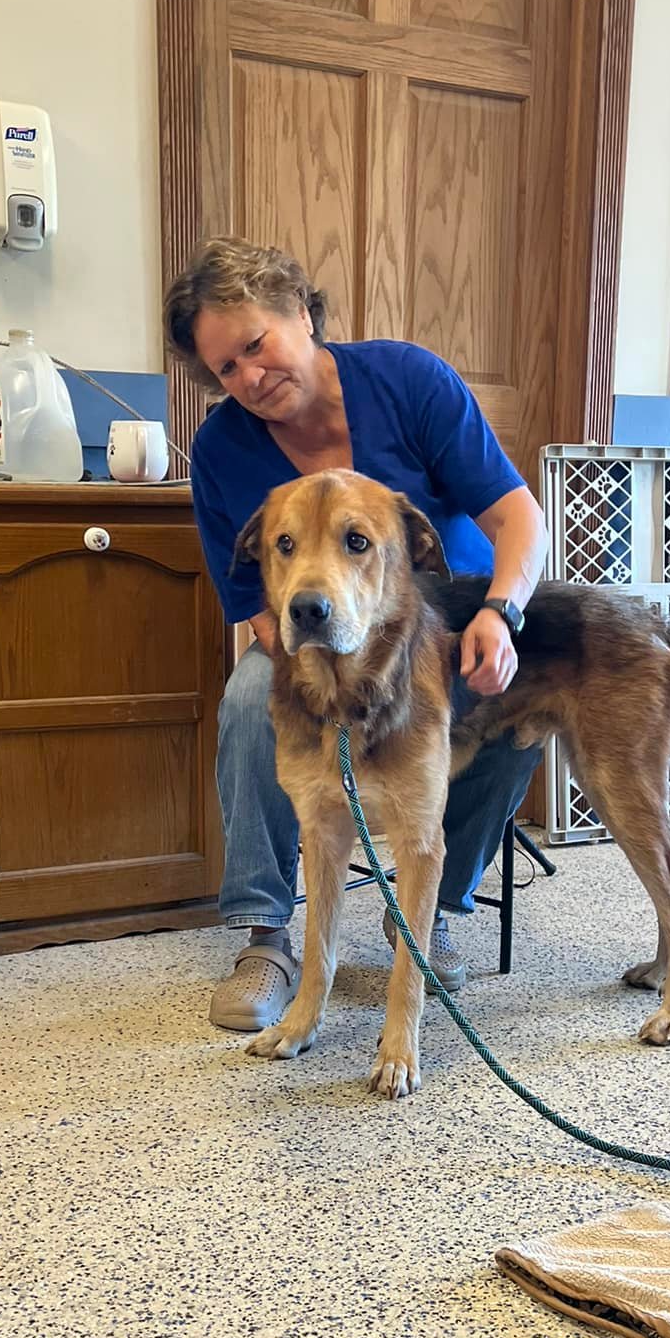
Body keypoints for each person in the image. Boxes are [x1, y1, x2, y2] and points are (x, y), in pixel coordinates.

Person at [162, 237, 549, 1033]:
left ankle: (429, 903)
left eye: (256, 345)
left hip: (445, 614)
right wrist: (329, 666)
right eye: (226, 368)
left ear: (301, 313)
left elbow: (517, 515)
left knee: (512, 710)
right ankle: (264, 933)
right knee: (244, 704)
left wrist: (501, 614)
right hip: (311, 633)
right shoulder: (221, 451)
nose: (249, 376)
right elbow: (254, 603)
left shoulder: (409, 381)